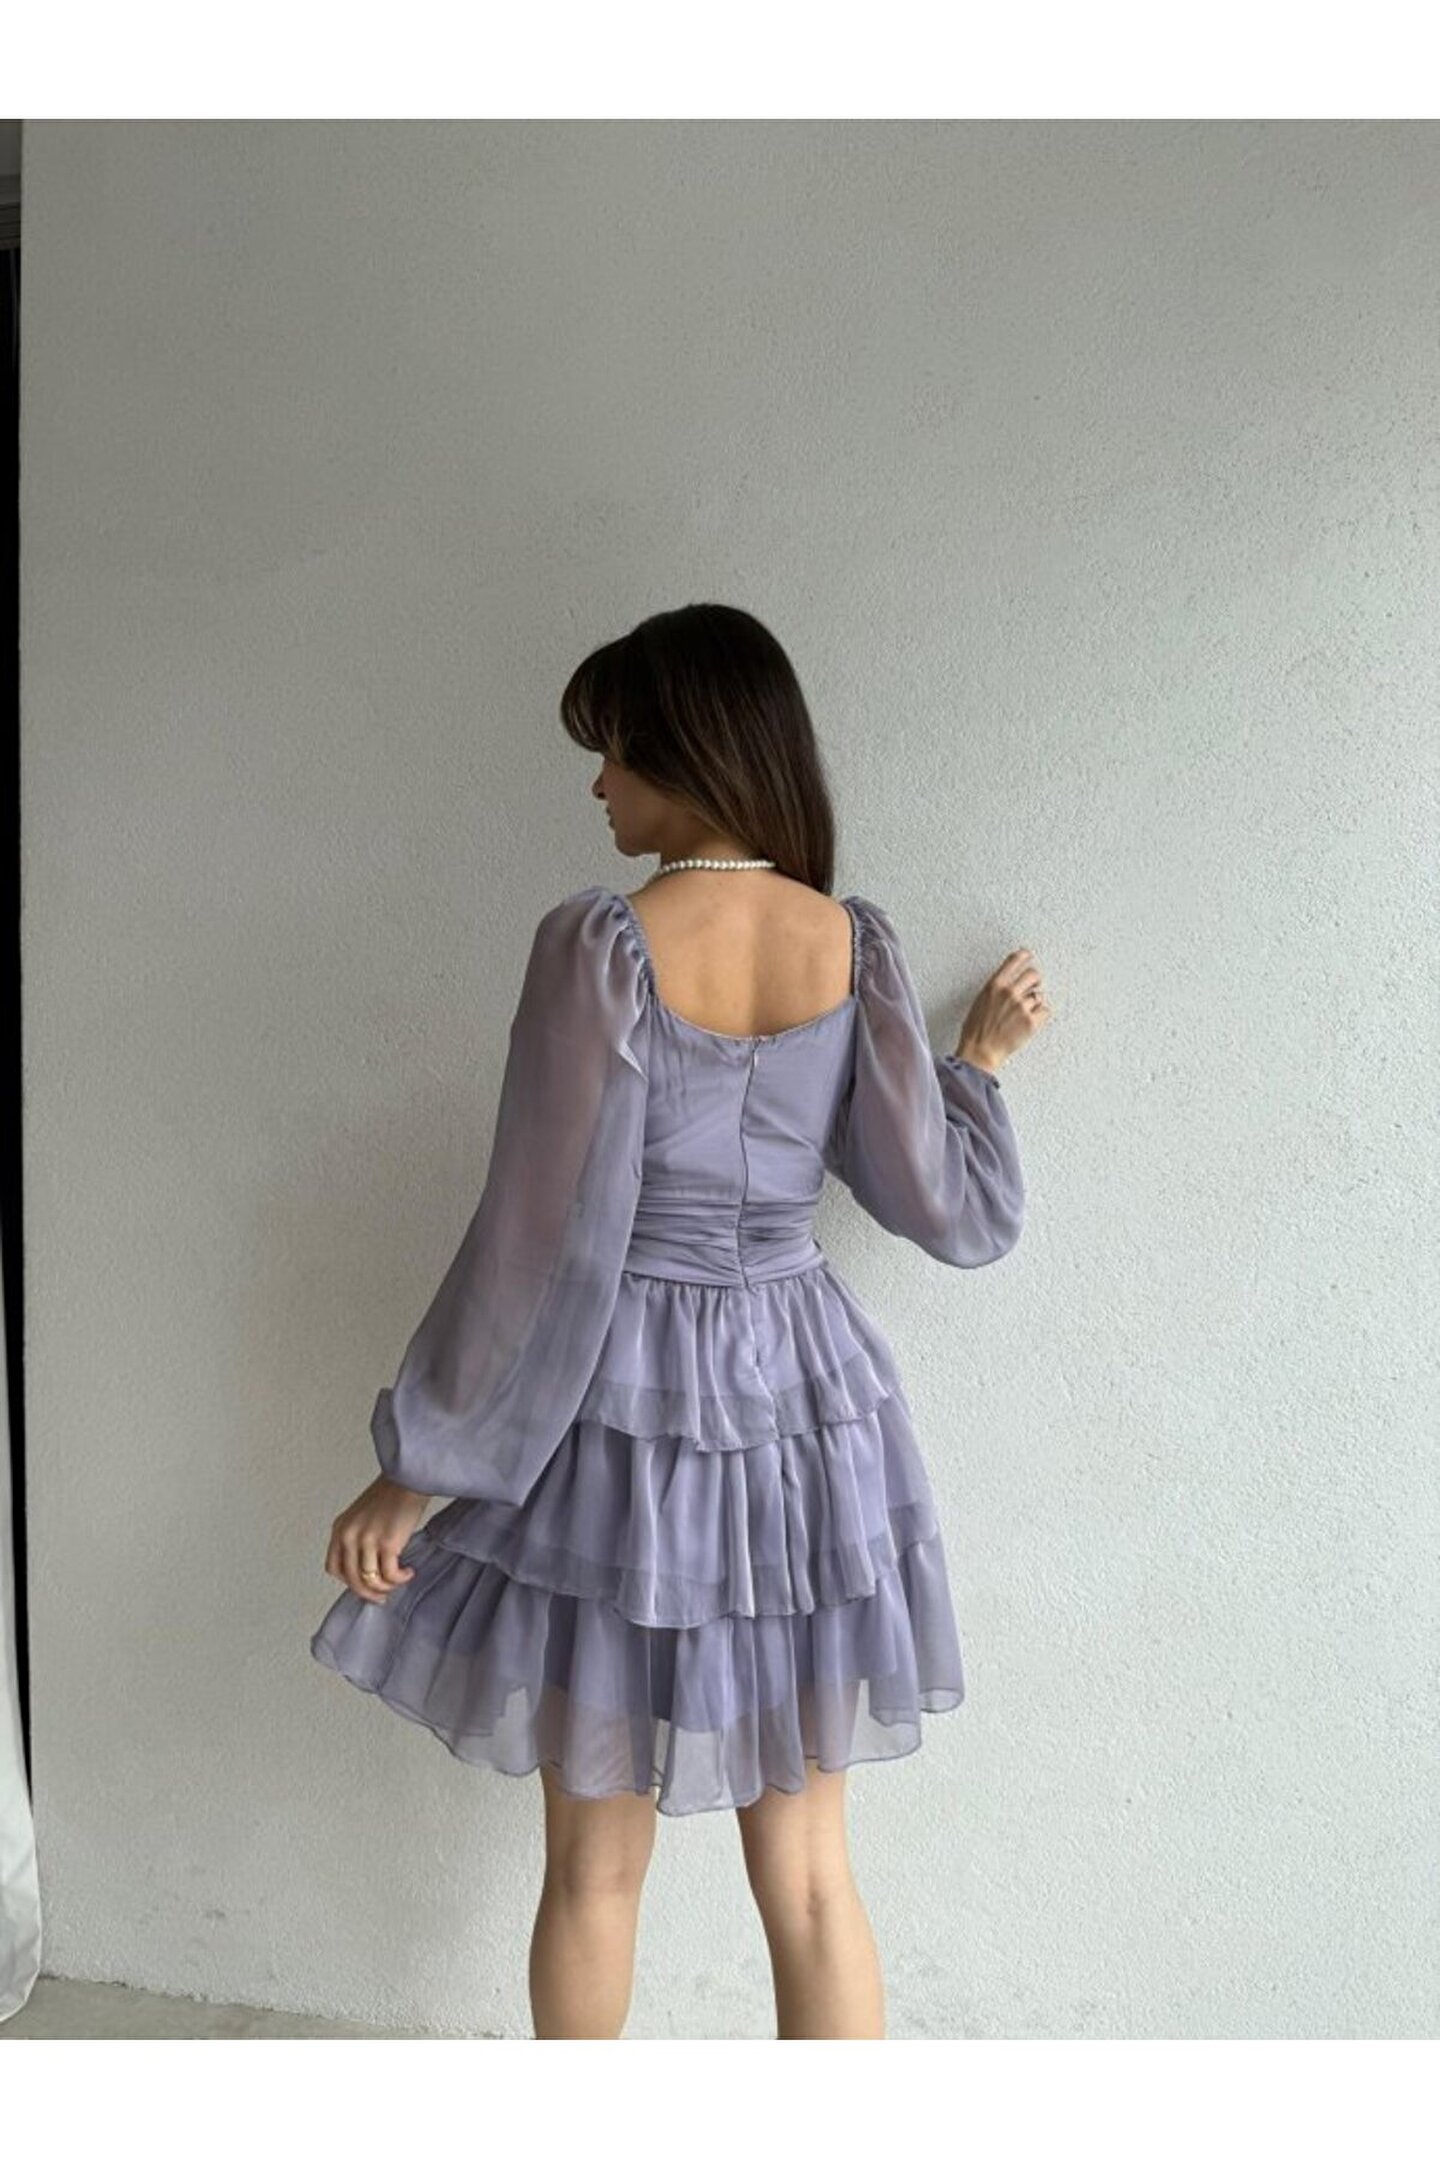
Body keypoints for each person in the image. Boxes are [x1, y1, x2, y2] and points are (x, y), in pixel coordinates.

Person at [310, 603, 1051, 2039]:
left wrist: (417, 1466)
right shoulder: (853, 945)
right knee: (816, 1883)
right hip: (807, 1403)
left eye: (615, 752)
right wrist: (974, 1068)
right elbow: (943, 1208)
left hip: (624, 1410)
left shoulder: (601, 944)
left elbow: (535, 1239)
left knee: (594, 1873)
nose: (598, 785)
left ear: (690, 751)